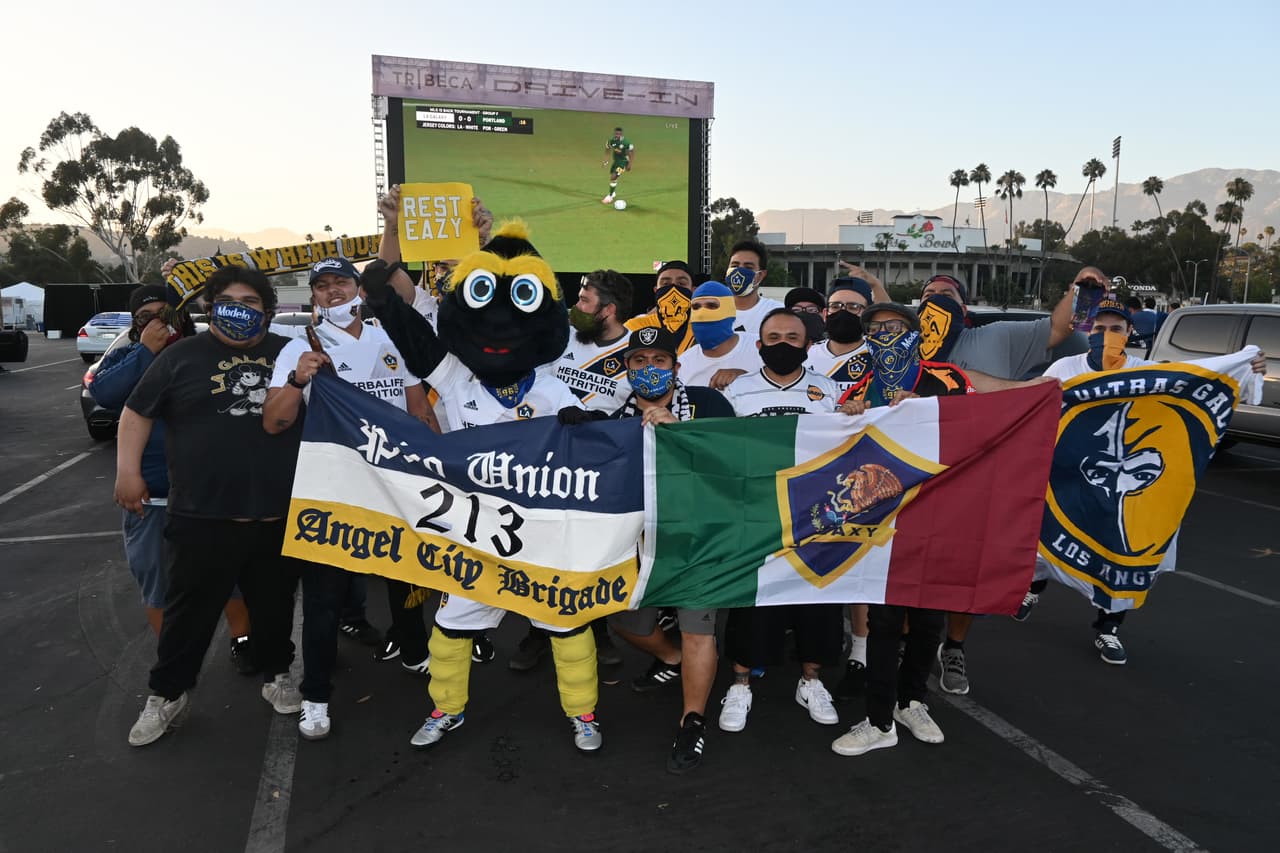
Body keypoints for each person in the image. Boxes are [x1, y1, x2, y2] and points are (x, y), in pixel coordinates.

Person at [361, 222, 604, 754]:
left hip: (541, 537)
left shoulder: (554, 386)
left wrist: (581, 428)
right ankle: (446, 709)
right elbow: (414, 337)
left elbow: (599, 449)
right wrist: (381, 293)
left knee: (565, 625)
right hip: (475, 534)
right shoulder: (455, 378)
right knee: (450, 627)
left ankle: (582, 713)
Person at [1014, 298, 1267, 664]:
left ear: (1129, 333)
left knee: (1119, 554)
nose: (1107, 335)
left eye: (1116, 329)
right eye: (1100, 328)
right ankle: (1031, 589)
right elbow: (1034, 407)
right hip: (1069, 476)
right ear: (1089, 331)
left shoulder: (1145, 371)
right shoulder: (1065, 368)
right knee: (1046, 540)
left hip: (1127, 479)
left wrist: (1244, 365)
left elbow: (1196, 380)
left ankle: (1109, 628)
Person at [118, 266, 304, 747]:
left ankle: (277, 674)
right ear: (209, 305)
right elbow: (136, 412)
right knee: (188, 615)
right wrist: (127, 471)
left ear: (267, 309)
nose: (240, 309)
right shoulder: (181, 356)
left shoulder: (291, 353)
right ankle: (166, 695)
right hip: (202, 515)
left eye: (251, 301)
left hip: (275, 514)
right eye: (229, 300)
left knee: (275, 606)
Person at [262, 257, 437, 740]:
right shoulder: (301, 345)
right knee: (324, 597)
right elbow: (273, 421)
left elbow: (417, 405)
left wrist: (443, 461)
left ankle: (416, 651)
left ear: (359, 288)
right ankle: (315, 695)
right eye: (322, 286)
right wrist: (299, 380)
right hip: (333, 488)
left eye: (341, 282)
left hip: (392, 483)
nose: (333, 292)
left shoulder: (386, 338)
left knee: (408, 574)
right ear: (314, 296)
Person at [560, 326, 734, 773]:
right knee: (624, 621)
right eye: (640, 361)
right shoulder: (606, 416)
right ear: (625, 367)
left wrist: (682, 433)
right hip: (634, 541)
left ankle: (692, 720)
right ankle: (671, 657)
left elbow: (735, 463)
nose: (650, 369)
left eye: (660, 361)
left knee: (700, 629)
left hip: (699, 538)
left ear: (676, 366)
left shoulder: (708, 404)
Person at [916, 270, 1080, 695]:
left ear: (963, 307)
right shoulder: (902, 347)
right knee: (908, 560)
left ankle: (953, 647)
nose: (936, 299)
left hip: (980, 474)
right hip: (918, 471)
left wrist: (1074, 288)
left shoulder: (1001, 335)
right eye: (929, 294)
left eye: (946, 294)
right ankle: (903, 644)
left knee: (967, 568)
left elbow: (1060, 328)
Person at [831, 302, 973, 757]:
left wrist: (929, 410)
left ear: (915, 334)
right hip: (881, 519)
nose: (884, 335)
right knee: (884, 619)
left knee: (929, 613)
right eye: (875, 329)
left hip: (939, 511)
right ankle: (878, 718)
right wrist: (845, 417)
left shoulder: (946, 378)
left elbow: (975, 429)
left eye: (894, 327)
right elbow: (834, 451)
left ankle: (912, 700)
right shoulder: (859, 386)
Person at [91, 282, 256, 672]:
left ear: (181, 314)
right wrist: (146, 350)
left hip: (212, 490)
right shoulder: (129, 355)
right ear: (135, 324)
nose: (157, 323)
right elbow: (105, 394)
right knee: (155, 578)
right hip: (152, 496)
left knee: (229, 574)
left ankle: (243, 641)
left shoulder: (207, 350)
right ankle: (172, 656)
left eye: (164, 314)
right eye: (145, 317)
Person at [717, 309, 863, 734]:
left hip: (816, 514)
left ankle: (811, 681)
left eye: (793, 337)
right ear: (759, 345)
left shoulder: (830, 391)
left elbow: (855, 444)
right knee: (753, 601)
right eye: (774, 336)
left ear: (807, 345)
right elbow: (713, 444)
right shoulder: (735, 391)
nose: (783, 343)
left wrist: (856, 415)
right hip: (757, 514)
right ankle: (741, 683)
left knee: (815, 601)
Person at [554, 269, 634, 412]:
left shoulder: (638, 352)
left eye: (584, 300)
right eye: (579, 298)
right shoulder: (563, 336)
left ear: (608, 309)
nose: (577, 306)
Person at [675, 282, 762, 390]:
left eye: (712, 306)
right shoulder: (684, 364)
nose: (702, 313)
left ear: (730, 311)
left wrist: (746, 379)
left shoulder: (759, 348)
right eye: (696, 306)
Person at [625, 260, 697, 354]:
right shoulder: (634, 328)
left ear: (693, 291)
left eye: (681, 284)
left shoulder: (705, 329)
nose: (673, 289)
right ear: (656, 290)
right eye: (666, 284)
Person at [725, 239, 783, 336]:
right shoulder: (710, 307)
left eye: (748, 267)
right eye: (735, 265)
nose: (739, 271)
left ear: (761, 275)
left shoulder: (777, 312)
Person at [602, 126, 634, 204]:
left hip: (623, 162)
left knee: (613, 176)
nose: (617, 135)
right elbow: (607, 149)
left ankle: (610, 196)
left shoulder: (626, 143)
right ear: (614, 133)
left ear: (621, 134)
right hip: (616, 161)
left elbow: (631, 153)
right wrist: (606, 160)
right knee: (613, 178)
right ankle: (613, 192)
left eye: (619, 134)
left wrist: (630, 164)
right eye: (616, 134)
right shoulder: (611, 141)